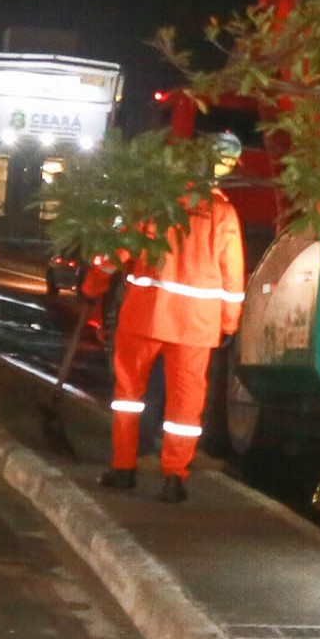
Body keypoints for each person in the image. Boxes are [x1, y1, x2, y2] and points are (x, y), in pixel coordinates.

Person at [84, 180, 244, 502]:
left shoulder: (151, 203)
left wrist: (93, 284)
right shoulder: (222, 212)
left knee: (128, 395)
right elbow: (233, 274)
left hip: (145, 315)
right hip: (195, 323)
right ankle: (174, 477)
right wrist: (228, 321)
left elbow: (117, 249)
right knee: (186, 404)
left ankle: (124, 468)